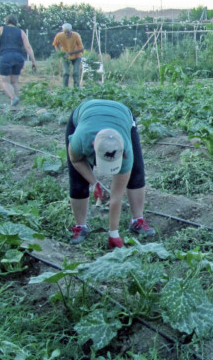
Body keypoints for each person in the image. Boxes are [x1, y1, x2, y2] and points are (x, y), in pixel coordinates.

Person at [66, 99, 157, 248]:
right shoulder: (80, 139)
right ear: (93, 146)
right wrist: (94, 182)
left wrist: (113, 233)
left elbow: (116, 197)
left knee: (136, 172)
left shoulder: (126, 150)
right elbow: (76, 161)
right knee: (77, 178)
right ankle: (80, 226)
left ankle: (137, 220)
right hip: (86, 113)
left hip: (121, 115)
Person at [0, 14, 37, 107]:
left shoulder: (1, 29)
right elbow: (28, 47)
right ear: (16, 22)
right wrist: (33, 61)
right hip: (18, 57)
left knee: (4, 81)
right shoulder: (21, 32)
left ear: (6, 22)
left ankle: (13, 98)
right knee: (14, 82)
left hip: (5, 57)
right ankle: (15, 106)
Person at [53, 23, 84, 87]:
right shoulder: (59, 36)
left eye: (68, 32)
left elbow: (81, 49)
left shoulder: (76, 35)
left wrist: (70, 53)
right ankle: (65, 89)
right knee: (66, 73)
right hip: (65, 57)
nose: (67, 34)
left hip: (76, 56)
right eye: (65, 32)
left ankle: (76, 89)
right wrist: (60, 53)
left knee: (75, 73)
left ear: (71, 30)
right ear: (63, 31)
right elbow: (55, 44)